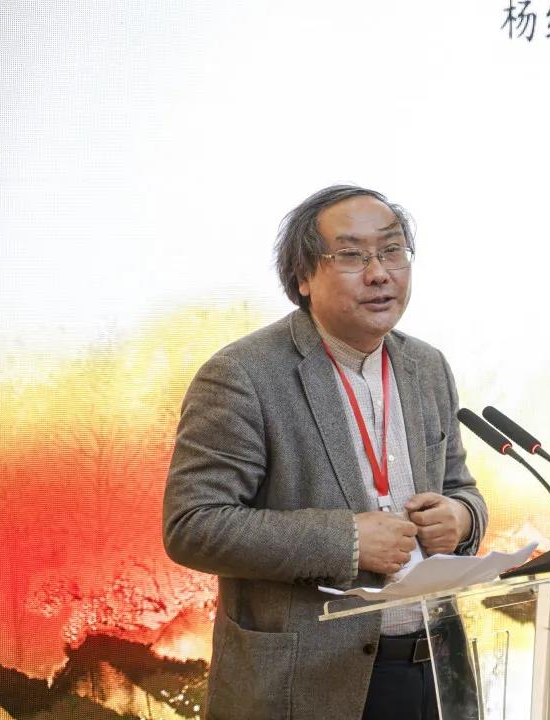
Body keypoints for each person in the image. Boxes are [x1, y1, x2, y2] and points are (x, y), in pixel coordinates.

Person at [163, 185, 487, 720]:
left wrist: (461, 517)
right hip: (307, 682)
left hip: (434, 669)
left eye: (392, 250)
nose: (379, 273)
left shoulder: (427, 367)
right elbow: (193, 525)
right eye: (352, 256)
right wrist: (348, 541)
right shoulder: (243, 375)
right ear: (303, 277)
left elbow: (460, 488)